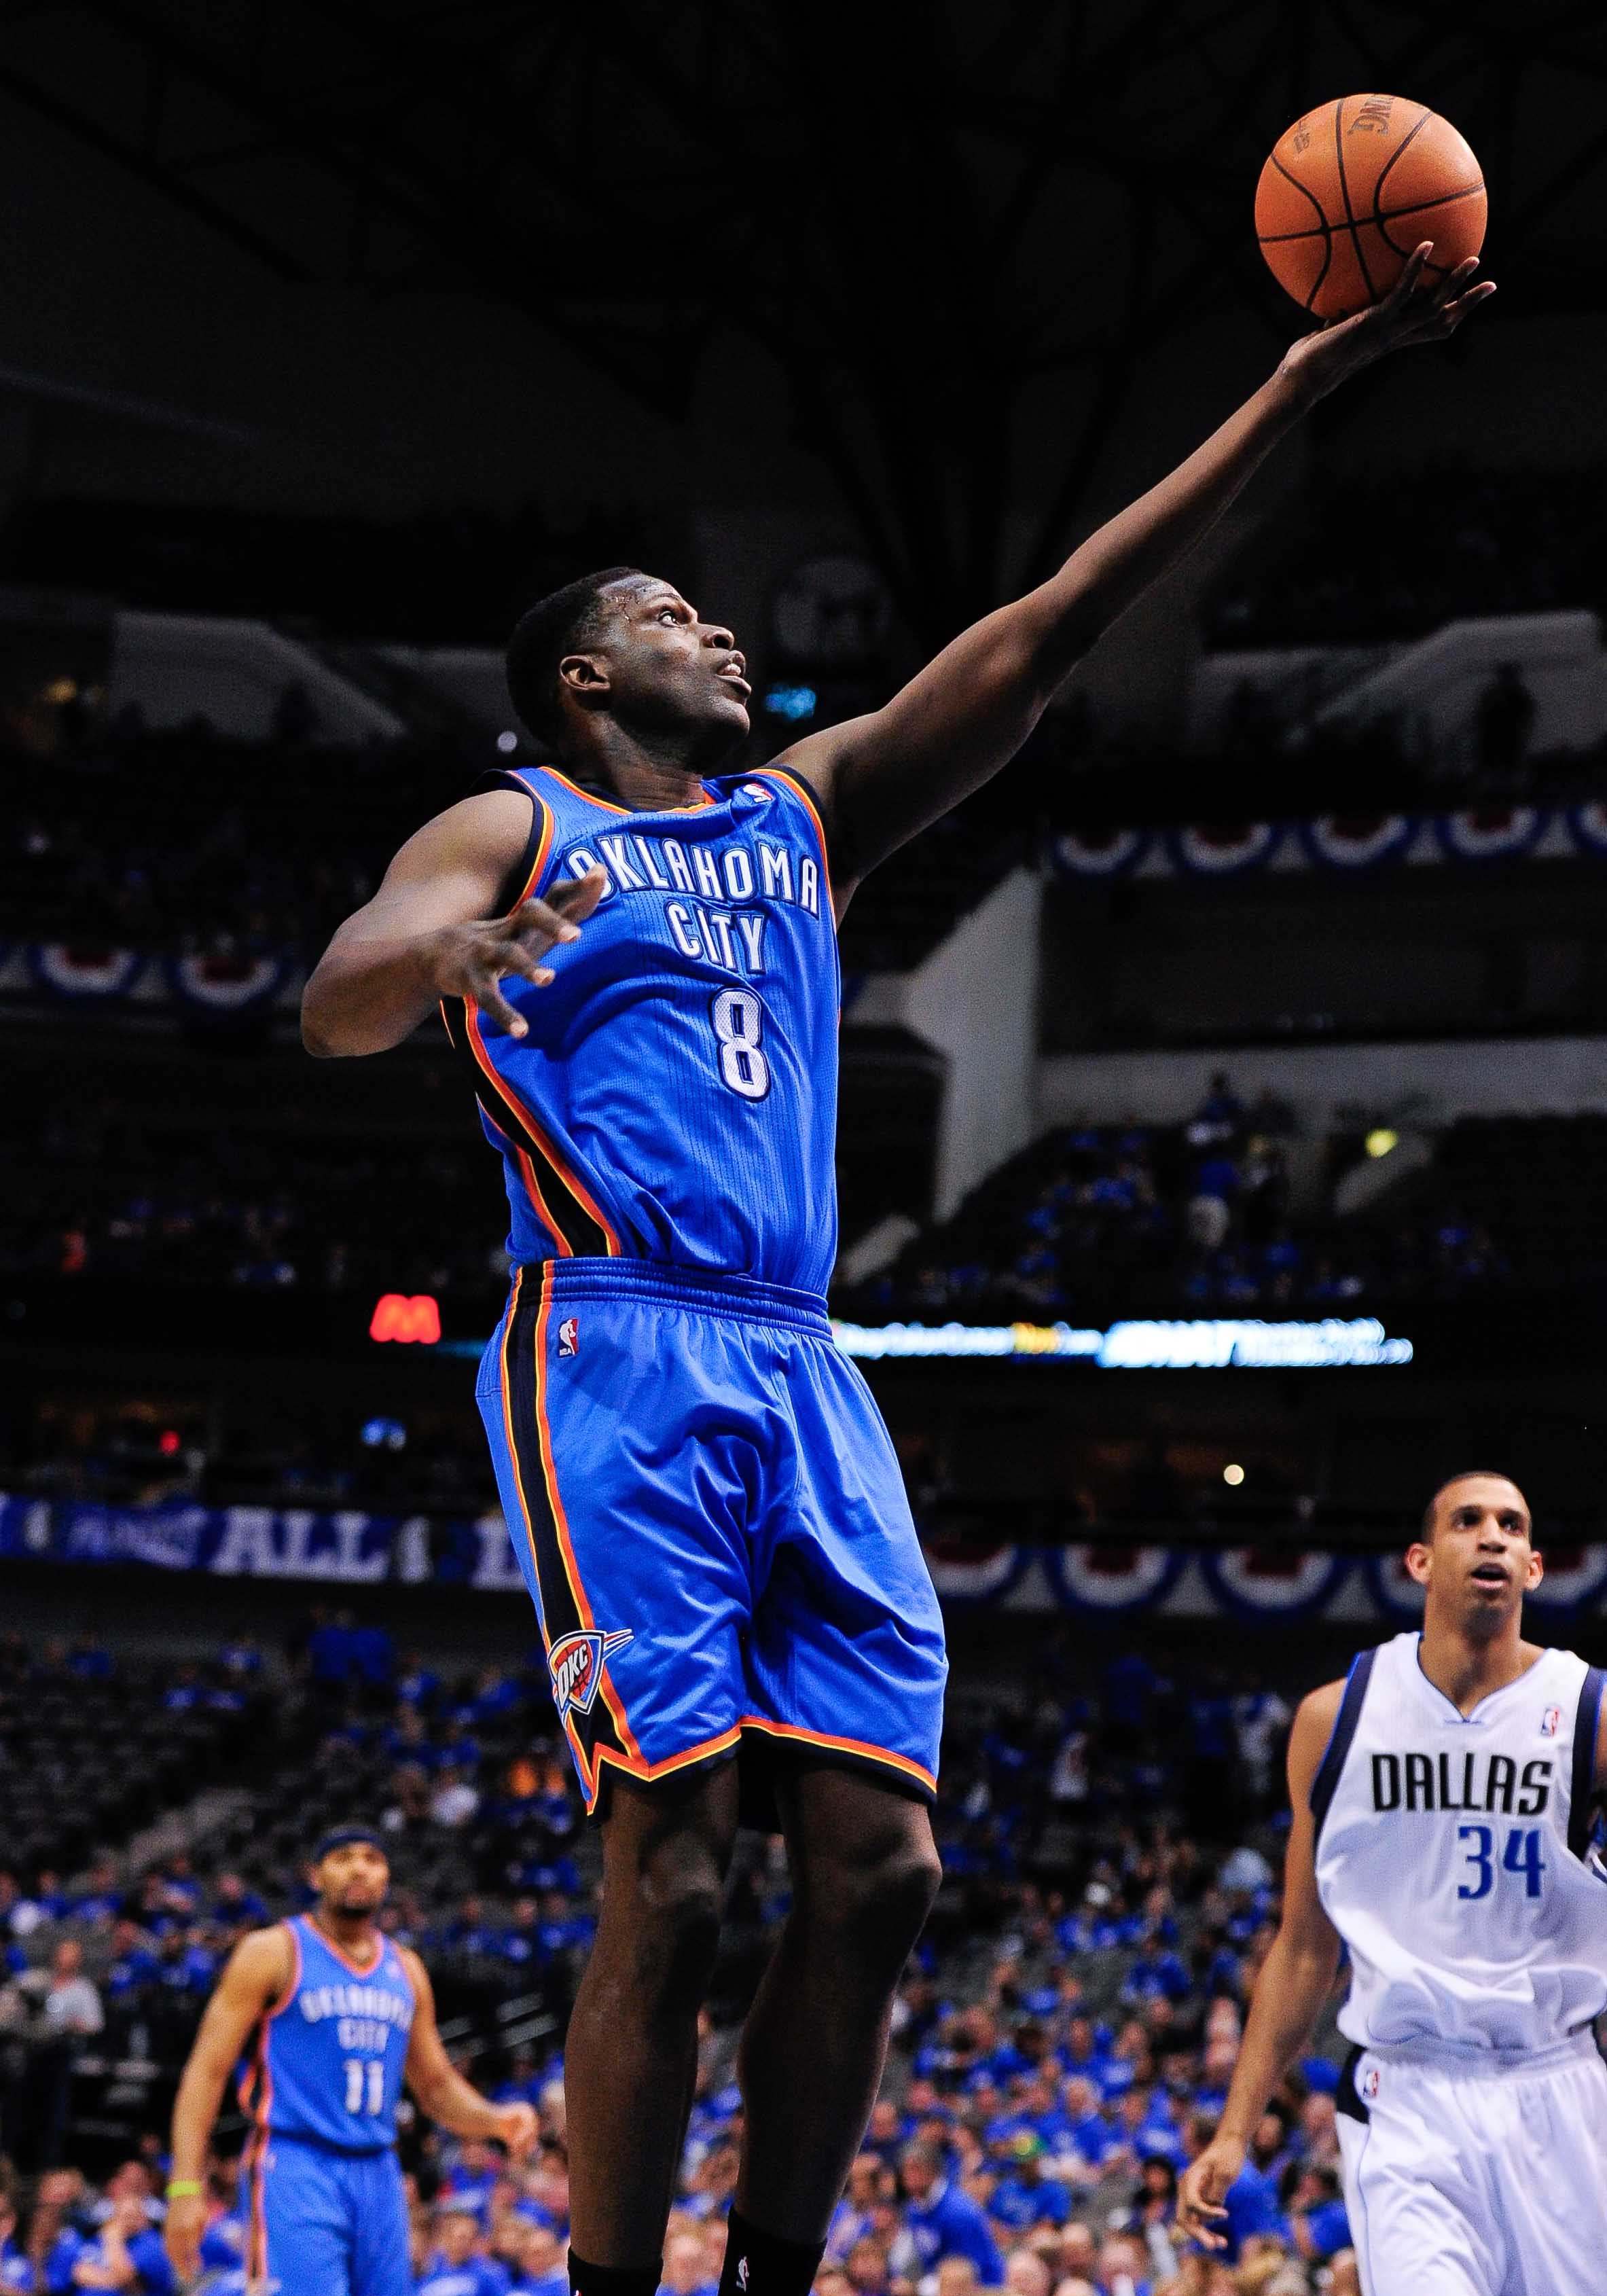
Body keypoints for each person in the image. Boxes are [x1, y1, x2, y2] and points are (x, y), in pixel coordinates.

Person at [301, 243, 1492, 2296]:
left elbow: (1050, 629)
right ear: (585, 679)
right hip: (609, 1350)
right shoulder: (514, 822)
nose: (717, 626)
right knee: (665, 1877)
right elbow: (340, 988)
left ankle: (769, 2268)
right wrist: (444, 955)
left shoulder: (805, 808)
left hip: (796, 1357)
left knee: (878, 1863)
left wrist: (1294, 391)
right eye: (669, 614)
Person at [1177, 1471, 1607, 2292]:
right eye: (1467, 1520)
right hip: (1406, 2091)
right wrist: (1235, 2130)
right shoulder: (1333, 1717)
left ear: (1534, 1566)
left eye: (1510, 1526)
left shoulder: (1587, 1709)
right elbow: (1303, 1950)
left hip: (1557, 2083)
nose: (1491, 1536)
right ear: (1419, 1558)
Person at [163, 1825, 536, 2295]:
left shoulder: (406, 1968)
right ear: (316, 1875)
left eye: (372, 1859)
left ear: (386, 1878)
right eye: (342, 1857)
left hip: (379, 2170)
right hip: (296, 2163)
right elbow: (206, 2072)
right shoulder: (272, 1951)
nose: (359, 1867)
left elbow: (436, 2087)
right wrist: (184, 2188)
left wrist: (496, 2120)